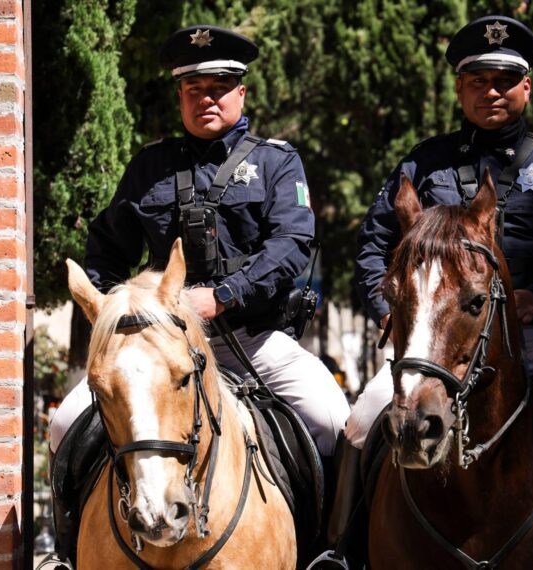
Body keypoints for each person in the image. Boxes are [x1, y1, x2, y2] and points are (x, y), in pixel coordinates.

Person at [314, 15, 533, 570]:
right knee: (361, 420)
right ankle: (340, 553)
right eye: (477, 80)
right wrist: (391, 312)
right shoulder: (421, 163)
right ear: (459, 88)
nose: (490, 91)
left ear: (525, 86)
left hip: (529, 338)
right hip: (436, 341)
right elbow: (375, 245)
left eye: (502, 80)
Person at [48, 23, 350, 564]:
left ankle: (327, 553)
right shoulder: (150, 168)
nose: (205, 99)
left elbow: (292, 244)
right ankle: (67, 554)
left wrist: (225, 296)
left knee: (332, 418)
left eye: (217, 88)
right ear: (181, 95)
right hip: (160, 349)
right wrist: (113, 313)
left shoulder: (279, 162)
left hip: (252, 340)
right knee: (65, 423)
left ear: (241, 92)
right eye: (194, 90)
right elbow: (105, 248)